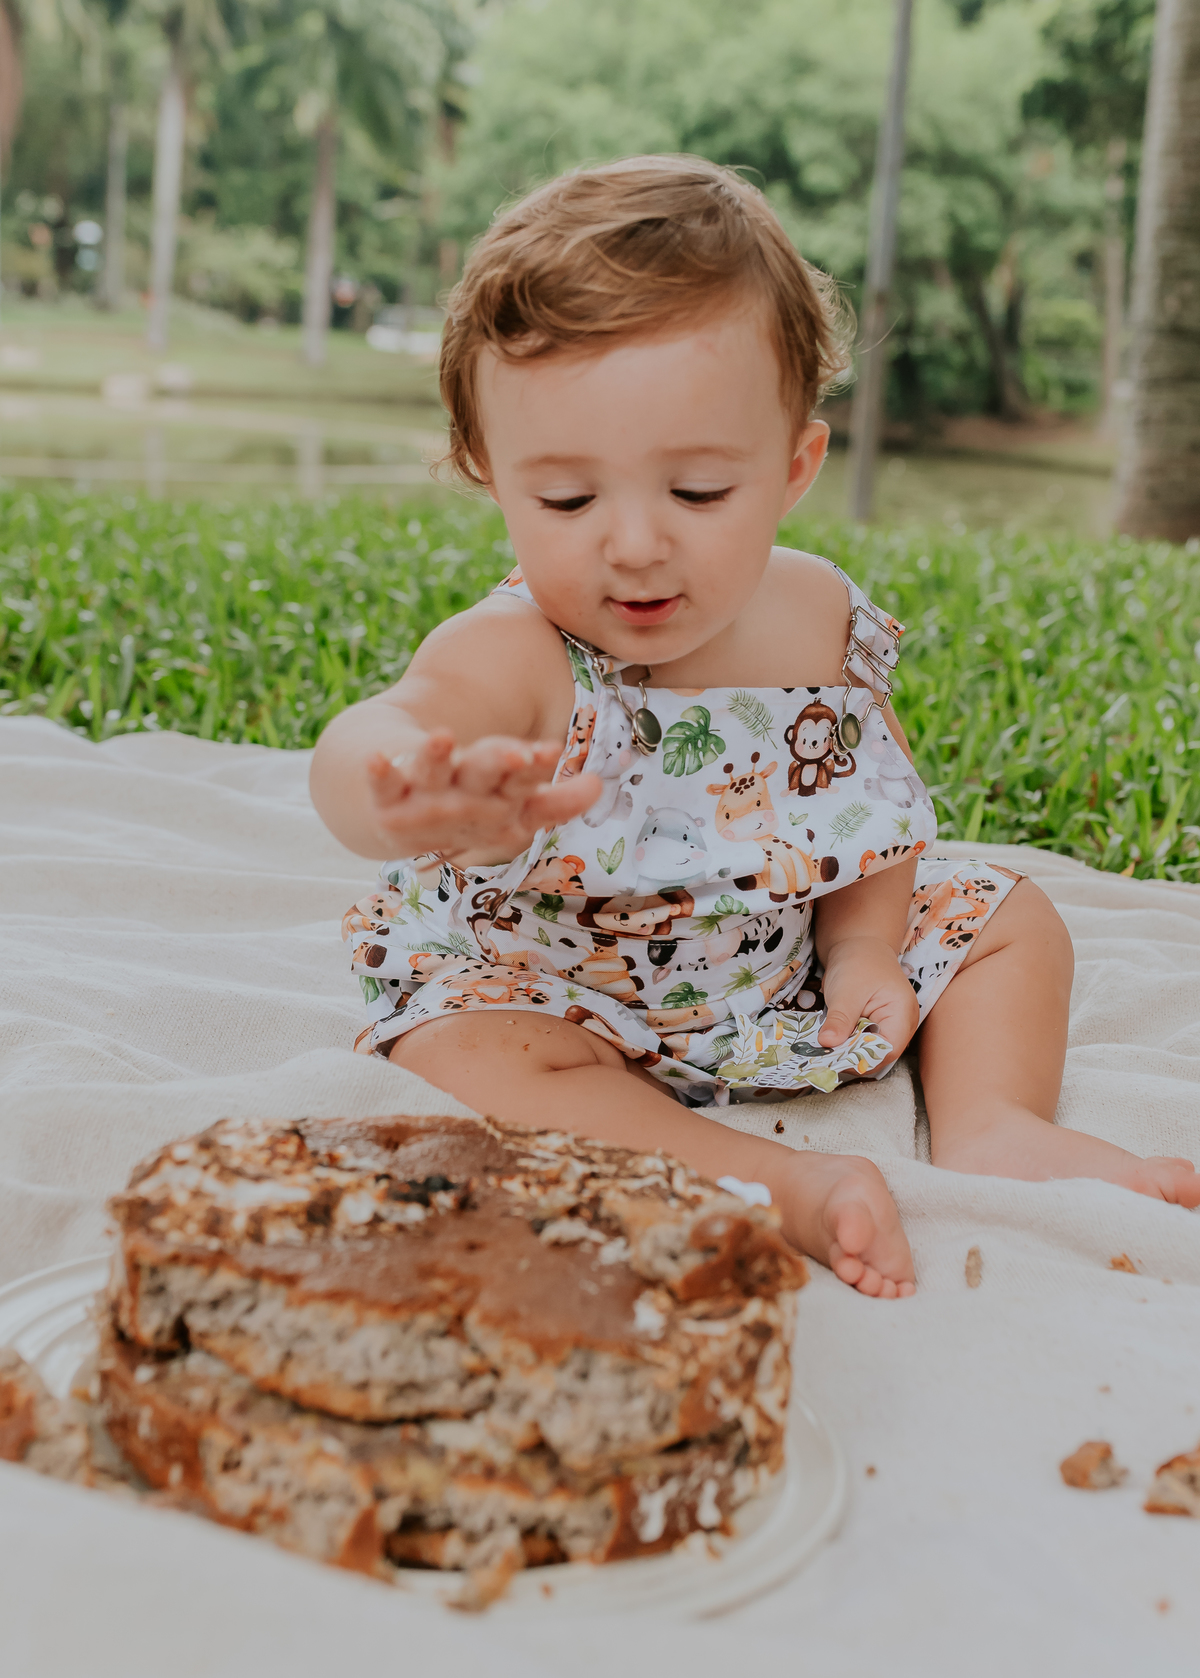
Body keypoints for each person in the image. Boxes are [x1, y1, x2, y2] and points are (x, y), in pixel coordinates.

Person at [311, 155, 1200, 1298]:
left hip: (780, 971)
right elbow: (379, 730)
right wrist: (395, 783)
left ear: (793, 467)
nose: (633, 543)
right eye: (568, 499)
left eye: (697, 493)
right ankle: (763, 1180)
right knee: (462, 1045)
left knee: (1012, 918)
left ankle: (993, 1124)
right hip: (563, 989)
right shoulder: (518, 652)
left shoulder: (817, 614)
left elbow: (866, 808)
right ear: (490, 470)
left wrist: (863, 944)